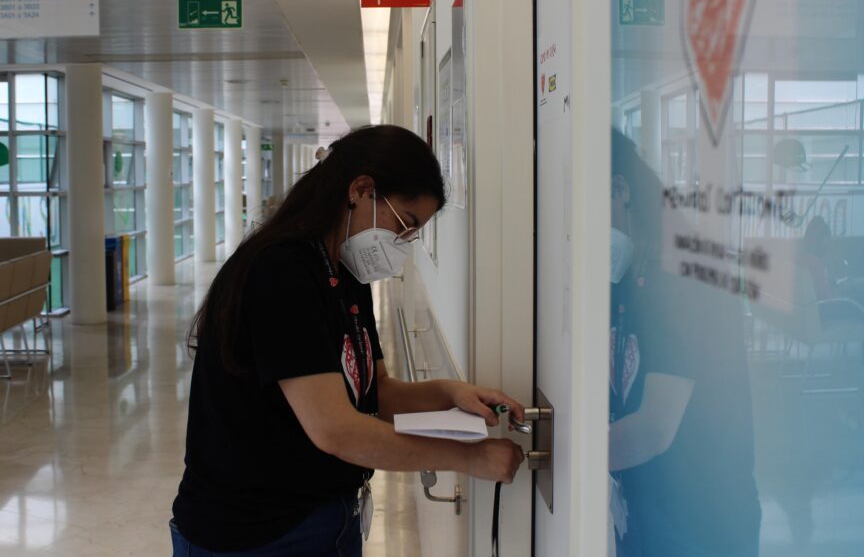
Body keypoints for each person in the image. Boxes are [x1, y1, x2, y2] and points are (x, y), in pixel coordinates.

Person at [171, 125, 526, 556]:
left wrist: (453, 393)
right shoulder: (281, 271)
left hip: (327, 516)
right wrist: (467, 458)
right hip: (252, 533)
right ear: (361, 189)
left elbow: (377, 392)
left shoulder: (346, 272)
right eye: (404, 224)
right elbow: (335, 429)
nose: (402, 243)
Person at [608, 130, 760, 556]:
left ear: (620, 190)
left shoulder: (686, 280)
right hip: (644, 510)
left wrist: (559, 456)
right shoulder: (627, 275)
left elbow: (654, 428)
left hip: (702, 520)